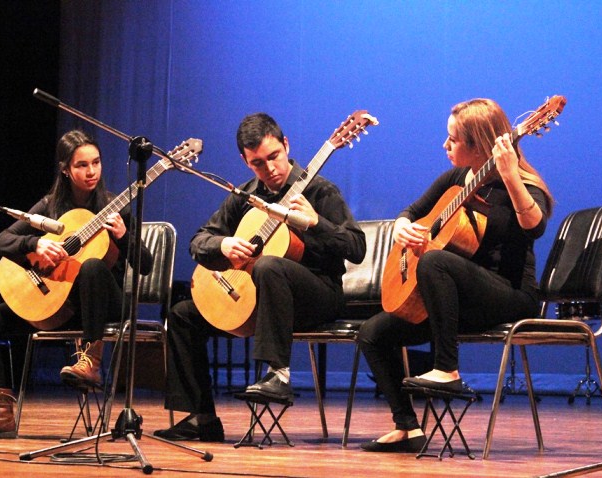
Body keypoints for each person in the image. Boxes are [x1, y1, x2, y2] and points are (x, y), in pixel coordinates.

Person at [153, 112, 366, 442]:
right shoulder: (245, 195)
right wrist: (224, 244)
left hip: (318, 295)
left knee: (269, 266)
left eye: (274, 157)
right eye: (258, 163)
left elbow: (356, 247)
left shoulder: (320, 191)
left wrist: (315, 223)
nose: (270, 170)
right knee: (182, 316)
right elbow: (199, 241)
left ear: (286, 145)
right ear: (245, 161)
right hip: (259, 300)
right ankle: (201, 417)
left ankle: (277, 374)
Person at [357, 98, 554, 453]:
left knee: (434, 262)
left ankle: (446, 369)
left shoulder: (523, 184)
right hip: (456, 302)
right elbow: (410, 212)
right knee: (372, 332)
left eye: (453, 140)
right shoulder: (456, 179)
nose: (445, 146)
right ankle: (407, 427)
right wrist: (403, 229)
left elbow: (535, 227)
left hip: (509, 297)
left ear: (479, 145)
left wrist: (509, 175)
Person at [0, 130, 152, 439]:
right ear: (65, 169)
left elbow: (146, 265)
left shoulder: (115, 207)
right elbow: (1, 241)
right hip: (60, 304)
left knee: (91, 267)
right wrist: (35, 244)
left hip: (104, 305)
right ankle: (0, 412)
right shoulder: (50, 205)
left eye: (96, 163)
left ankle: (91, 362)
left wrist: (123, 237)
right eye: (81, 165)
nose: (91, 172)